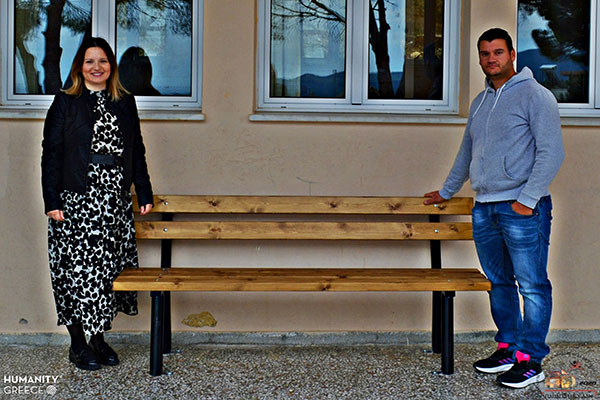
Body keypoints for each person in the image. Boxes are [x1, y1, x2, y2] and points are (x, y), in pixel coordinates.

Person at [424, 28, 564, 389]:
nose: (491, 59)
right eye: (485, 54)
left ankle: (531, 359)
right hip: (485, 208)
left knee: (532, 285)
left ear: (512, 54)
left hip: (521, 209)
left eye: (498, 52)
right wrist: (446, 191)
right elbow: (467, 153)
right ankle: (508, 348)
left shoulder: (536, 96)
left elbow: (551, 153)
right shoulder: (481, 101)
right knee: (499, 282)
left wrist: (526, 201)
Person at [41, 37, 154, 371]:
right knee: (75, 272)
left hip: (112, 202)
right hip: (76, 199)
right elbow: (51, 154)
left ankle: (98, 339)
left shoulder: (124, 102)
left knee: (106, 271)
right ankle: (78, 343)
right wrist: (51, 200)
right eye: (90, 61)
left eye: (103, 61)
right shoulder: (65, 102)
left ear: (111, 66)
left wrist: (144, 191)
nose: (96, 67)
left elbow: (137, 149)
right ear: (79, 66)